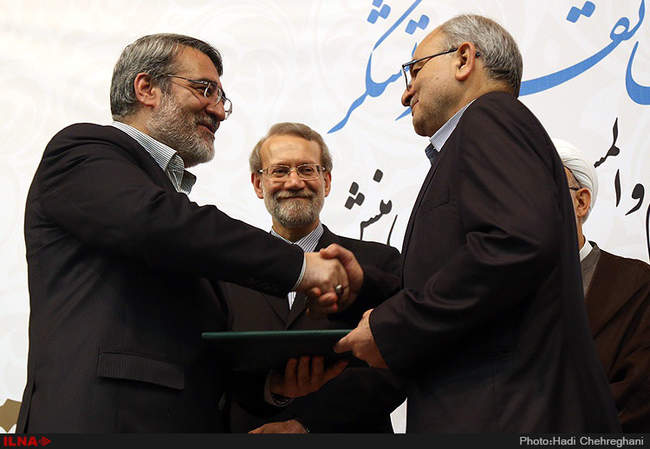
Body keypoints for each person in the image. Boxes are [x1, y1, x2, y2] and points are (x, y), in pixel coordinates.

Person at [17, 33, 349, 433]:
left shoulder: (177, 224)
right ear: (146, 89)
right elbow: (159, 222)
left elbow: (197, 353)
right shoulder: (81, 151)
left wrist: (273, 387)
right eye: (205, 90)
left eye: (222, 98)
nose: (219, 111)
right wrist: (302, 267)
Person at [323, 14, 621, 431]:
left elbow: (513, 244)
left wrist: (392, 327)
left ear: (464, 59)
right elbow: (469, 274)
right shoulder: (477, 136)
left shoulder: (490, 116)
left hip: (505, 417)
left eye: (415, 71)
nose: (405, 94)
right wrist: (366, 288)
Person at [221, 122, 405, 433]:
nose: (294, 182)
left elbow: (397, 362)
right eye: (280, 171)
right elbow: (215, 371)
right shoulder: (227, 272)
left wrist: (307, 425)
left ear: (326, 181)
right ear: (258, 184)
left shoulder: (379, 263)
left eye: (307, 170)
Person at [554, 137, 650, 432]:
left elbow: (636, 399)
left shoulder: (638, 285)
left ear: (580, 202)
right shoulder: (501, 290)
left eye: (541, 190)